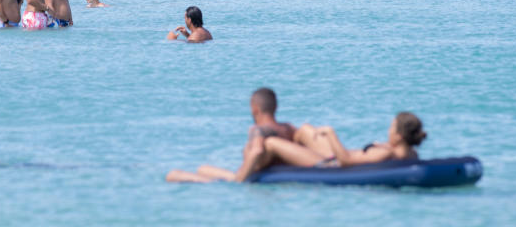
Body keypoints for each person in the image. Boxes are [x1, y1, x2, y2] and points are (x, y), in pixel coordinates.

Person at [165, 87, 296, 183]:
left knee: (173, 175)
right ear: (276, 107)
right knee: (203, 168)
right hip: (268, 170)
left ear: (254, 109)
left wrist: (240, 180)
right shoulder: (287, 128)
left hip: (244, 175)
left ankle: (212, 182)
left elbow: (257, 151)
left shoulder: (260, 130)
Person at [244, 112, 426, 174]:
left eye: (392, 128)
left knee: (273, 142)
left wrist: (331, 133)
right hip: (334, 158)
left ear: (400, 136)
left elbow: (346, 161)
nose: (389, 130)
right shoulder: (409, 153)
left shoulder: (387, 153)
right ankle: (291, 148)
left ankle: (276, 156)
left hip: (331, 164)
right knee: (306, 130)